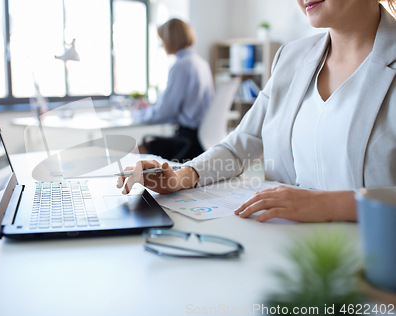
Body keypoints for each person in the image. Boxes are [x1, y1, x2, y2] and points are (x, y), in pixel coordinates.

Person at [118, 0, 396, 223]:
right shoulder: (291, 58)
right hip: (287, 248)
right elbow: (239, 147)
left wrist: (329, 204)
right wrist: (181, 176)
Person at [133, 18, 214, 161]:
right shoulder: (201, 63)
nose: (161, 43)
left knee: (133, 152)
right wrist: (154, 108)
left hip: (188, 142)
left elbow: (165, 112)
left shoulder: (181, 66)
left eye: (163, 39)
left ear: (170, 39)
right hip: (204, 139)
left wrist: (138, 114)